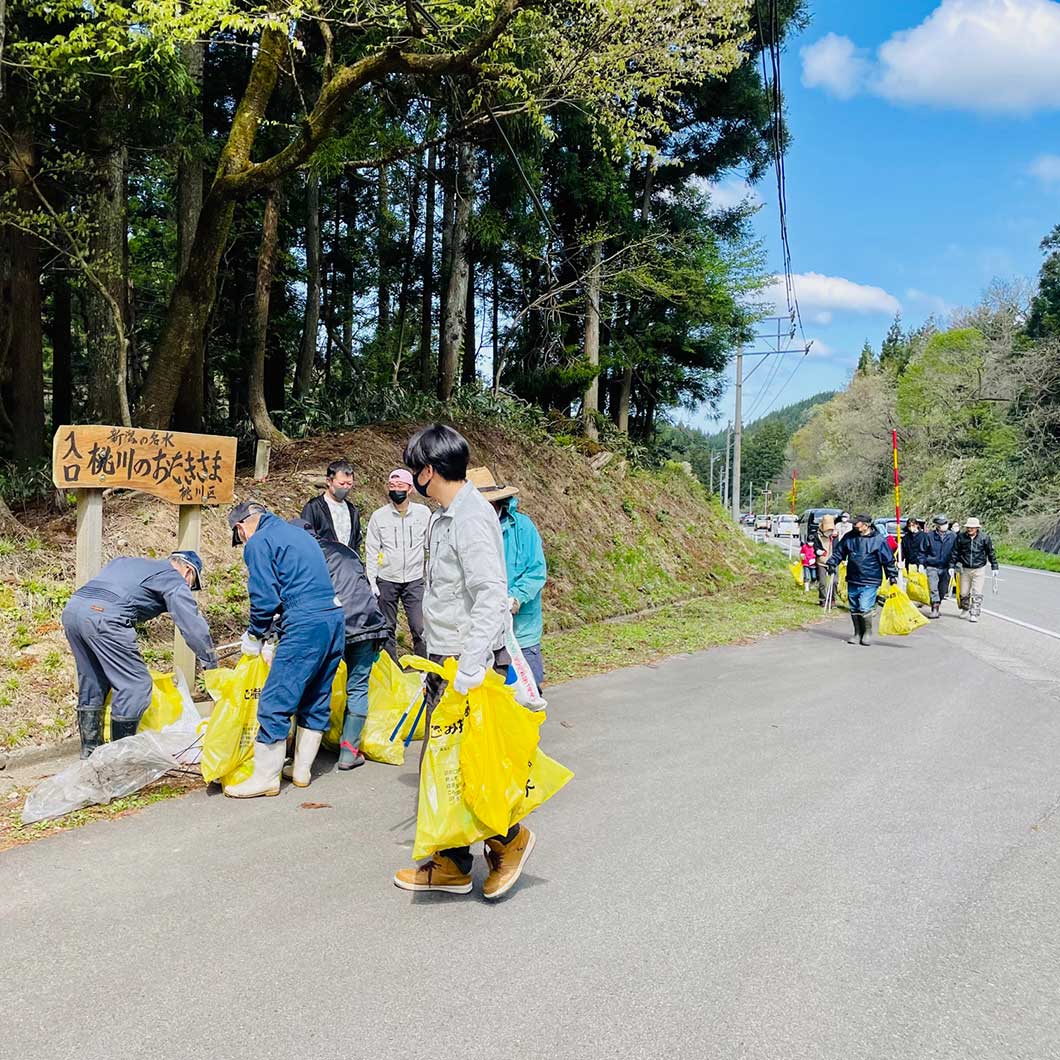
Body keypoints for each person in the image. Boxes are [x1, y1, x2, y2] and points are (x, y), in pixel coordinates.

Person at [393, 424, 536, 900]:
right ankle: (452, 862)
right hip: (445, 656)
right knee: (444, 761)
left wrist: (472, 667)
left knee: (472, 763)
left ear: (429, 471)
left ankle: (509, 841)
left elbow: (491, 594)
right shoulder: (446, 515)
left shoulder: (472, 517)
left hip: (465, 661)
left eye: (415, 470)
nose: (413, 479)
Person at [225, 500, 345, 798]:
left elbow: (265, 598)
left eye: (238, 537)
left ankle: (266, 777)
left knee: (277, 698)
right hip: (333, 617)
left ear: (241, 528)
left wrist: (255, 635)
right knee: (317, 694)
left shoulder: (259, 542)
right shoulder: (299, 533)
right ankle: (301, 770)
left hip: (305, 622)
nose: (242, 542)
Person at [61, 551, 217, 758]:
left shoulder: (127, 562)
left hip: (73, 611)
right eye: (192, 583)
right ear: (188, 570)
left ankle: (90, 754)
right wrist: (210, 660)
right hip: (104, 618)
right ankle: (121, 760)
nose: (189, 588)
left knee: (93, 680)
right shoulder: (172, 578)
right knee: (135, 684)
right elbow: (191, 623)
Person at [289, 518, 389, 769]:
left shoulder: (302, 557)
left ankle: (301, 755)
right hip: (367, 623)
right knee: (357, 686)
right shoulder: (344, 549)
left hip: (332, 624)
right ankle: (349, 752)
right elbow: (364, 585)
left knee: (316, 684)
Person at [469, 466, 548, 688]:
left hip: (520, 632)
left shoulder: (522, 528)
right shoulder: (466, 531)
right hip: (481, 633)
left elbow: (536, 571)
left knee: (527, 694)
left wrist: (516, 598)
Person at [365, 469, 430, 661]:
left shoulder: (423, 513)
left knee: (420, 626)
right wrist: (372, 580)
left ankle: (425, 669)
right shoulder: (379, 516)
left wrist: (432, 578)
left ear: (410, 489)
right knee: (387, 627)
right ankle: (393, 671)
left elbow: (432, 546)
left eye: (400, 486)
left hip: (415, 579)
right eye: (392, 486)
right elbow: (371, 549)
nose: (396, 490)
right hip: (387, 579)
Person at [826, 513, 898, 646]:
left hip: (871, 579)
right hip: (853, 577)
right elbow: (839, 552)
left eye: (857, 523)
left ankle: (867, 633)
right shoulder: (850, 537)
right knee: (854, 607)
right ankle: (857, 633)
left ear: (866, 525)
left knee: (864, 606)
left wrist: (892, 575)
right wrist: (832, 563)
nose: (854, 525)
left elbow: (888, 559)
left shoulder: (878, 540)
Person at [300, 459, 362, 551]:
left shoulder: (353, 511)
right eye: (341, 483)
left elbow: (357, 542)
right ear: (329, 481)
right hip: (324, 562)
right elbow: (305, 539)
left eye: (349, 484)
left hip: (348, 563)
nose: (345, 487)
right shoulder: (314, 507)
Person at [953, 517, 999, 623]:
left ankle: (974, 613)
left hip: (979, 568)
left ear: (977, 528)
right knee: (963, 592)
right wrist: (952, 565)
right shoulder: (961, 538)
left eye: (972, 528)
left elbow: (991, 552)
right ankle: (965, 609)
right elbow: (955, 552)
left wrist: (994, 566)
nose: (970, 529)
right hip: (965, 568)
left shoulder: (984, 538)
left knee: (977, 592)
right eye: (968, 527)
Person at [919, 514, 957, 619]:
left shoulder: (953, 536)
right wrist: (921, 564)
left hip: (946, 566)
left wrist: (953, 565)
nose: (945, 525)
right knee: (933, 587)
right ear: (937, 525)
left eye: (945, 523)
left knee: (943, 589)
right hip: (932, 565)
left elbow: (956, 551)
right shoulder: (929, 536)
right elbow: (922, 551)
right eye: (942, 524)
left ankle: (938, 604)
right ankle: (934, 609)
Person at [813, 514, 837, 606]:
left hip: (833, 561)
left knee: (834, 581)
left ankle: (832, 599)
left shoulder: (835, 536)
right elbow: (815, 548)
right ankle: (823, 599)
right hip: (821, 561)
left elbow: (838, 548)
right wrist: (821, 552)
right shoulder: (817, 535)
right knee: (823, 582)